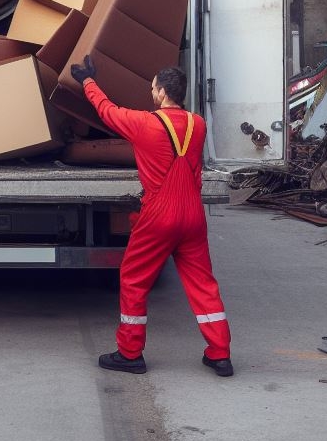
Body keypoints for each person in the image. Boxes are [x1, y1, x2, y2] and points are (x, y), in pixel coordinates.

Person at [69, 56, 233, 377]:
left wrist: (88, 80)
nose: (151, 92)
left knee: (133, 279)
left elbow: (106, 110)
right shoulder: (198, 124)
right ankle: (220, 354)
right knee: (203, 284)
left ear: (162, 92)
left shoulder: (145, 123)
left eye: (153, 88)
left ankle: (130, 353)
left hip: (159, 215)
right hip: (193, 214)